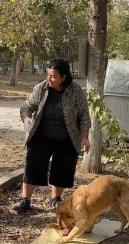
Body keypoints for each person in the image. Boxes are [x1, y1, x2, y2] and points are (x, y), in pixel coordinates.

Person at [12, 59, 92, 213]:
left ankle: (56, 199)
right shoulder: (41, 88)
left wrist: (85, 138)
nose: (49, 78)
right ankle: (25, 200)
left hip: (67, 136)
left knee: (63, 168)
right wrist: (27, 119)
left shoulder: (76, 92)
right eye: (48, 74)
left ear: (64, 77)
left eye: (53, 76)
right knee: (33, 164)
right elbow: (27, 106)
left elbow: (84, 116)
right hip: (41, 135)